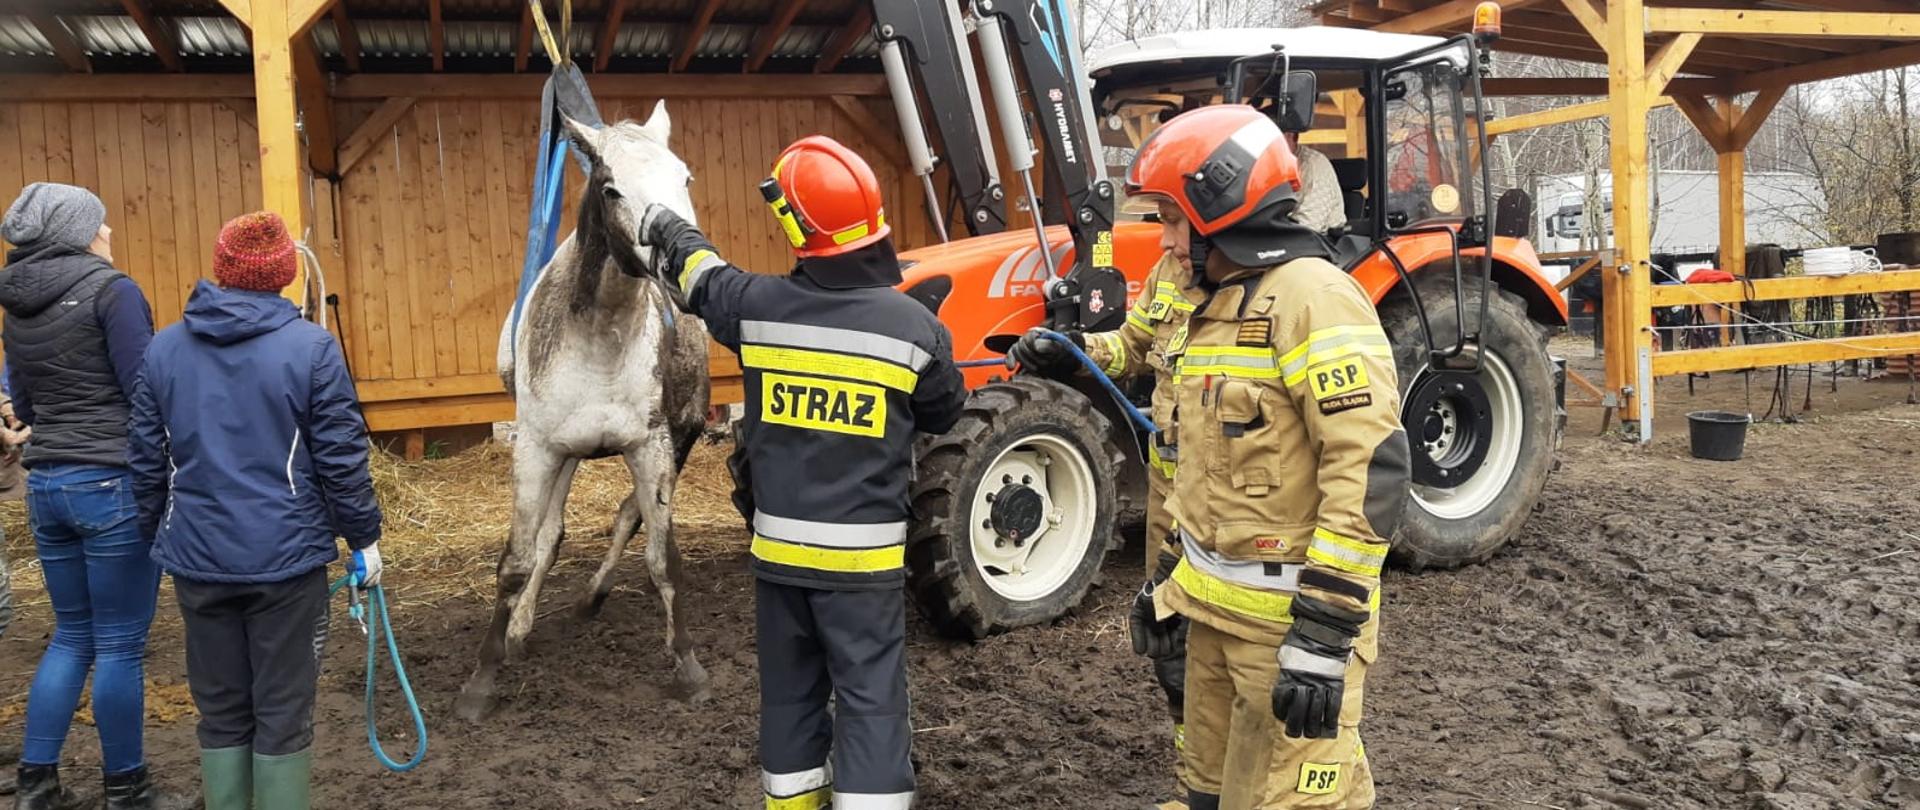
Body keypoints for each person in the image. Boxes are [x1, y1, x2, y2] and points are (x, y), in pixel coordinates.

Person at [639, 135, 967, 810]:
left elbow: (701, 273)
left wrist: (666, 225)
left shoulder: (753, 308)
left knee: (789, 698)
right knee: (871, 697)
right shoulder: (912, 329)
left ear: (795, 225)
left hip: (779, 561)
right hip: (864, 571)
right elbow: (944, 411)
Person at [1124, 105, 1411, 809]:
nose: (1164, 238)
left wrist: (1324, 631)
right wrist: (1167, 583)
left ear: (1222, 209)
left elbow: (1368, 468)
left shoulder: (1314, 299)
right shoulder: (1210, 304)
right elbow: (1203, 464)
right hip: (1214, 617)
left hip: (1289, 628)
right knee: (1208, 791)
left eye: (1170, 217)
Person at [126, 212, 384, 810]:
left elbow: (143, 460)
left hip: (198, 562)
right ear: (284, 276)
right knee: (284, 713)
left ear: (222, 268)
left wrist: (158, 537)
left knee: (220, 711)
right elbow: (342, 460)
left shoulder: (164, 348)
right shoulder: (312, 349)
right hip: (285, 565)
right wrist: (364, 540)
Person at [1006, 202, 1202, 801]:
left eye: (1177, 222)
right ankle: (1198, 783)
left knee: (1232, 653)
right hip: (1171, 494)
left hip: (1232, 501)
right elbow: (1135, 344)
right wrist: (1074, 348)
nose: (1165, 240)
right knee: (1172, 645)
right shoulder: (1173, 271)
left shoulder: (1284, 294)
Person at [0, 182, 173, 810]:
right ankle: (127, 788)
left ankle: (36, 784)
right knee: (121, 644)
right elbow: (145, 390)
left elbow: (24, 402)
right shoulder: (113, 290)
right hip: (109, 483)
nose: (109, 234)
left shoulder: (16, 300)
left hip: (46, 484)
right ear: (78, 231)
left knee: (71, 636)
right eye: (101, 224)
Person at [1286, 130, 1346, 234]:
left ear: (1291, 136)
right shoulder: (1267, 166)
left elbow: (1309, 226)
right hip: (1279, 238)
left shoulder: (1314, 165)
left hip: (1320, 242)